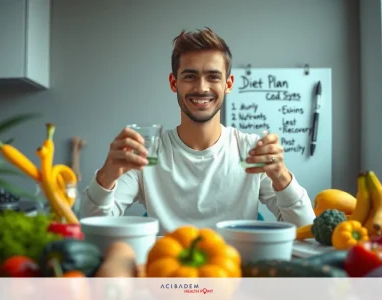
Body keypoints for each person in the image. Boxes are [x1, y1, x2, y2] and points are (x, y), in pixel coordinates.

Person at [80, 27, 315, 234]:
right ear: (174, 83)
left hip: (233, 274)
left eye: (213, 77)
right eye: (190, 76)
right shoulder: (146, 152)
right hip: (167, 275)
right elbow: (92, 229)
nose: (201, 88)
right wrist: (107, 174)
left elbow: (307, 229)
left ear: (228, 84)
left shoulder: (251, 150)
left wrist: (282, 176)